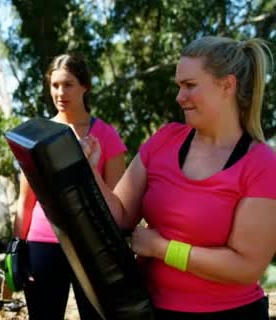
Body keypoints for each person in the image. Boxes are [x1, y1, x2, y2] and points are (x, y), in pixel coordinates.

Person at [83, 36, 276, 319]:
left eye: (190, 85)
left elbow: (245, 268)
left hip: (229, 314)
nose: (179, 96)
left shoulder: (261, 164)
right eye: (179, 86)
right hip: (153, 309)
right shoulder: (165, 140)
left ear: (227, 85)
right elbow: (120, 215)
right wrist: (90, 172)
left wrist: (162, 249)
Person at [14, 53, 127, 320]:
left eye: (68, 84)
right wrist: (17, 245)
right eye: (55, 85)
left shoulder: (106, 135)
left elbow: (119, 202)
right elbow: (25, 200)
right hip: (43, 242)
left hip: (92, 245)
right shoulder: (35, 135)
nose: (60, 92)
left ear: (85, 86)